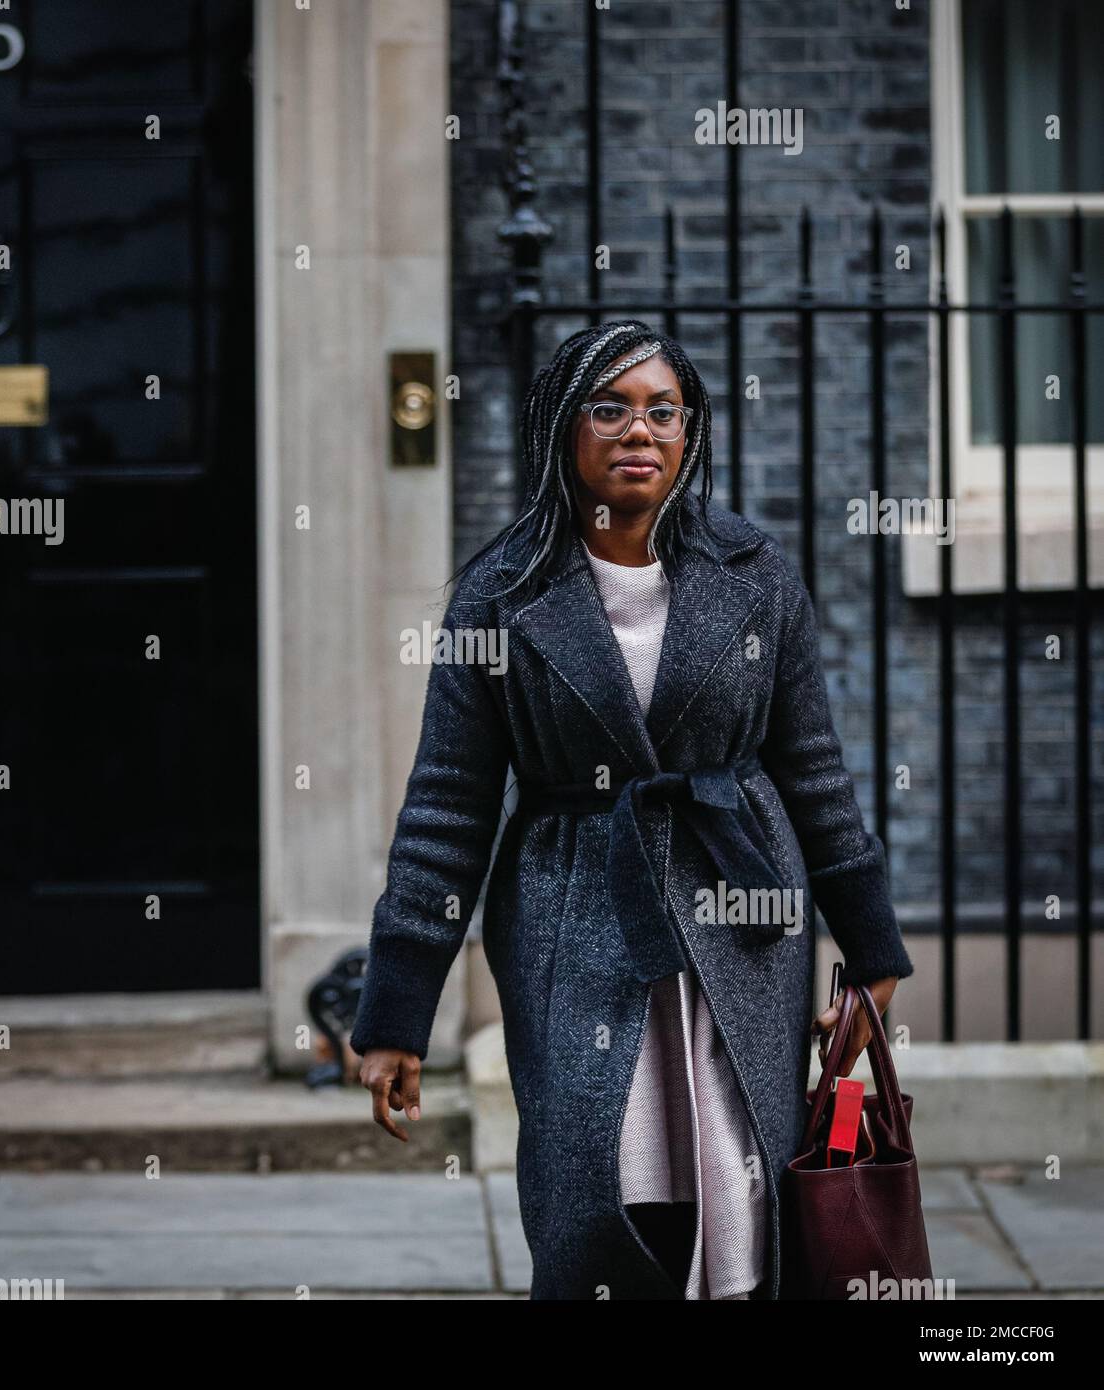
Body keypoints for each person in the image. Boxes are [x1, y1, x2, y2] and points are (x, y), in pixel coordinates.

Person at [350, 320, 913, 1300]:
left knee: (739, 1165)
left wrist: (872, 955)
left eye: (662, 410)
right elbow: (446, 805)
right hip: (575, 913)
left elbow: (813, 770)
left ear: (690, 431)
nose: (637, 431)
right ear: (562, 430)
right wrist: (396, 1010)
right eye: (608, 408)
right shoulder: (496, 595)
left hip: (740, 912)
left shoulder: (755, 574)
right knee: (593, 1171)